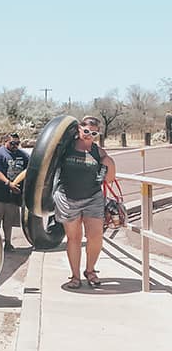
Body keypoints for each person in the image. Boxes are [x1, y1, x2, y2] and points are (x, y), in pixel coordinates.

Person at [53, 115, 116, 289]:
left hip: (92, 197)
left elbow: (108, 179)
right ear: (79, 129)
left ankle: (90, 270)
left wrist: (109, 162)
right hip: (68, 197)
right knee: (74, 238)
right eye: (86, 131)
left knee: (95, 236)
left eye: (94, 133)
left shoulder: (98, 152)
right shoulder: (66, 148)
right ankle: (74, 276)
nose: (89, 135)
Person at [0, 132, 29, 251]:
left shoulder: (23, 155)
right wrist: (9, 184)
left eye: (17, 143)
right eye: (12, 143)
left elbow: (30, 169)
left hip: (13, 196)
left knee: (8, 222)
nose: (15, 146)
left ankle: (8, 243)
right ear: (5, 142)